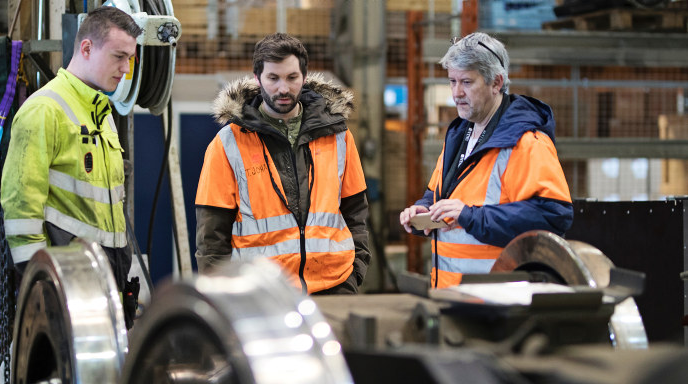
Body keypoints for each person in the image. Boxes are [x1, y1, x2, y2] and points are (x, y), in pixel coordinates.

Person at [194, 33, 371, 295]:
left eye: (292, 77)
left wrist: (355, 272)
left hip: (334, 286)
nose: (283, 89)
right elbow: (212, 235)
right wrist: (223, 294)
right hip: (260, 293)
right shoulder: (228, 143)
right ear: (258, 79)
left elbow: (355, 211)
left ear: (304, 76)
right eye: (273, 78)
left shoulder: (338, 136)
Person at [399, 32, 573, 289]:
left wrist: (470, 216)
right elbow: (438, 195)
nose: (456, 93)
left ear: (496, 82)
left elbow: (553, 215)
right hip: (450, 293)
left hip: (499, 297)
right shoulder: (459, 135)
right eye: (452, 81)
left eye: (467, 82)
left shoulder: (526, 142)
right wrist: (424, 210)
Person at [1, 7, 142, 309]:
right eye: (119, 56)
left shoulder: (102, 114)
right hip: (64, 290)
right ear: (87, 48)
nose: (126, 69)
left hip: (105, 285)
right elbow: (20, 208)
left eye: (130, 58)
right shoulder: (43, 111)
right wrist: (39, 285)